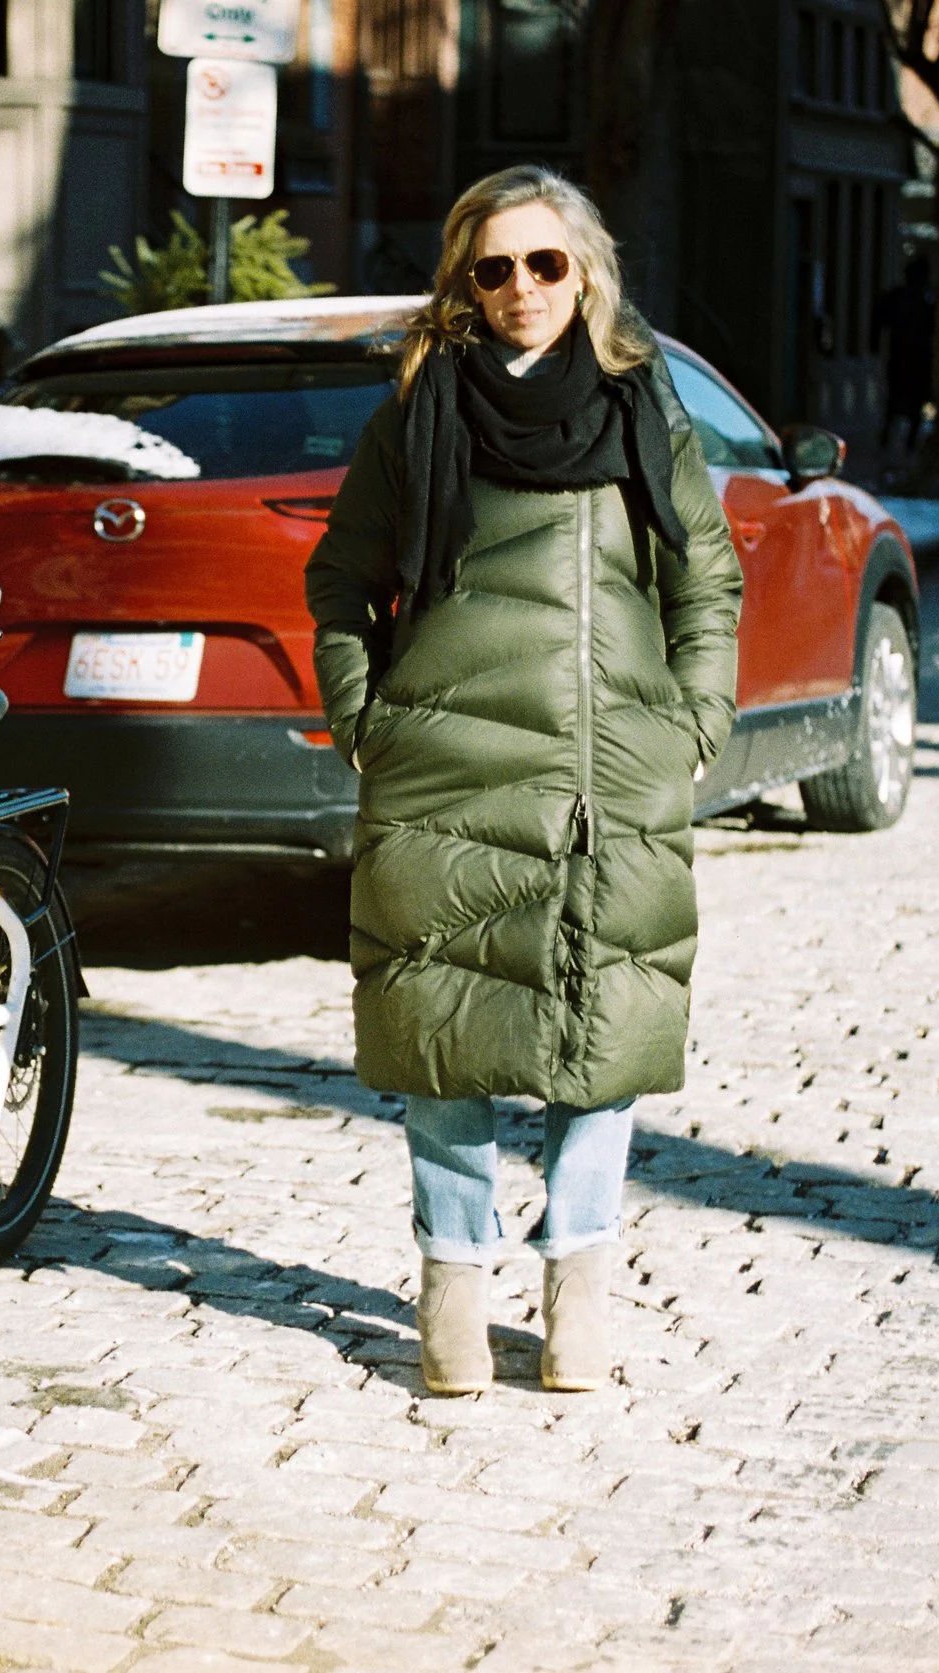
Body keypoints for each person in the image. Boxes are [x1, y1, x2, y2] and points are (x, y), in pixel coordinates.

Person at [302, 166, 743, 1396]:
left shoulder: (643, 409)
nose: (519, 290)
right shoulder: (418, 413)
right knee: (440, 1042)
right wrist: (363, 722)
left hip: (612, 774)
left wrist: (694, 721)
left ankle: (577, 1293)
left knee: (606, 1042)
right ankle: (453, 1287)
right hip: (442, 770)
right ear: (465, 280)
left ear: (585, 272)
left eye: (544, 264)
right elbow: (340, 584)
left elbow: (704, 582)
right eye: (492, 268)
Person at [871, 255, 934, 465]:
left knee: (905, 404)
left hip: (911, 359)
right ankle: (899, 442)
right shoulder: (912, 299)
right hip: (909, 359)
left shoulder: (917, 299)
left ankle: (901, 443)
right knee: (903, 404)